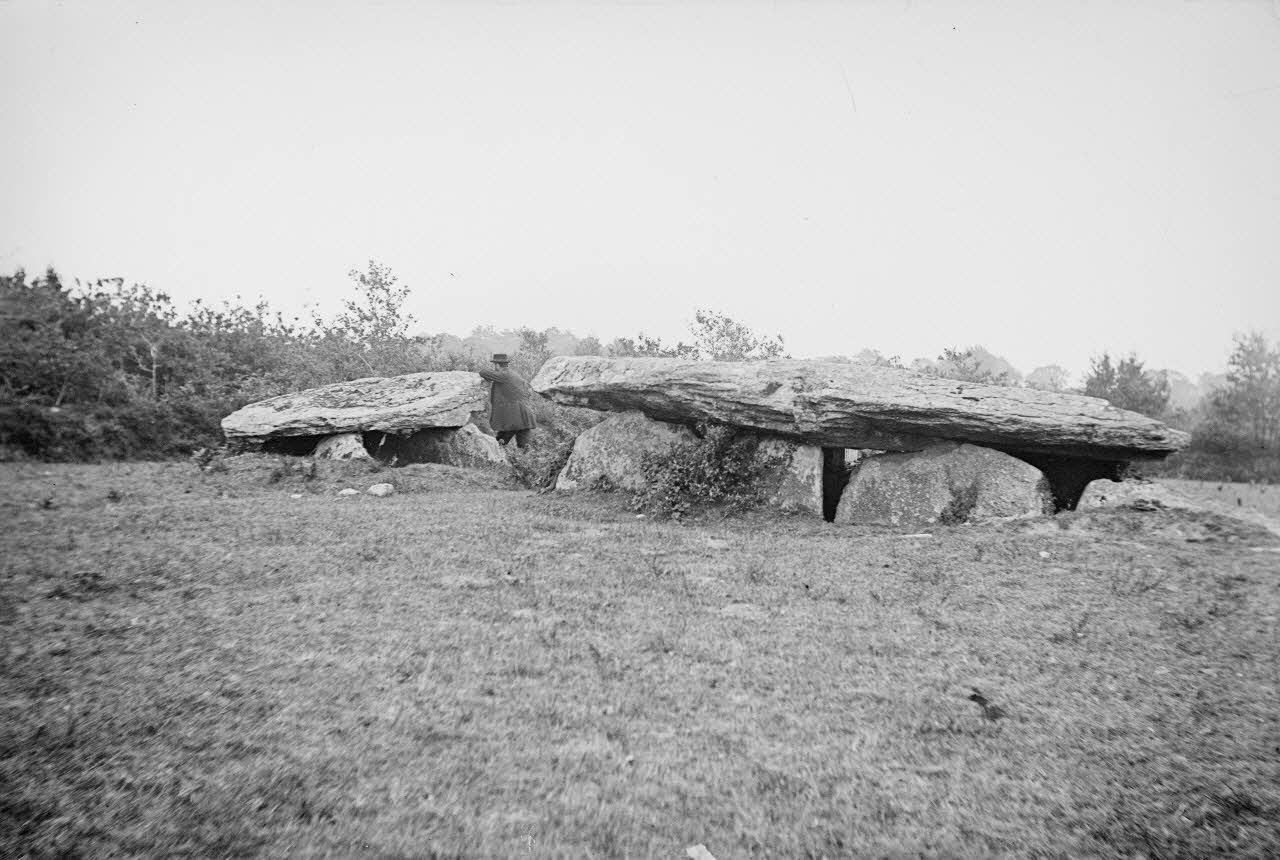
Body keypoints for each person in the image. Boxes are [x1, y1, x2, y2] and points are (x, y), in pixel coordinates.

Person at [478, 353, 537, 449]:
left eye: (495, 365)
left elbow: (483, 372)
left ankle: (498, 462)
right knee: (523, 447)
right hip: (524, 416)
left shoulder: (504, 374)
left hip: (514, 418)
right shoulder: (513, 374)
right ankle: (522, 462)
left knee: (499, 443)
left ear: (497, 365)